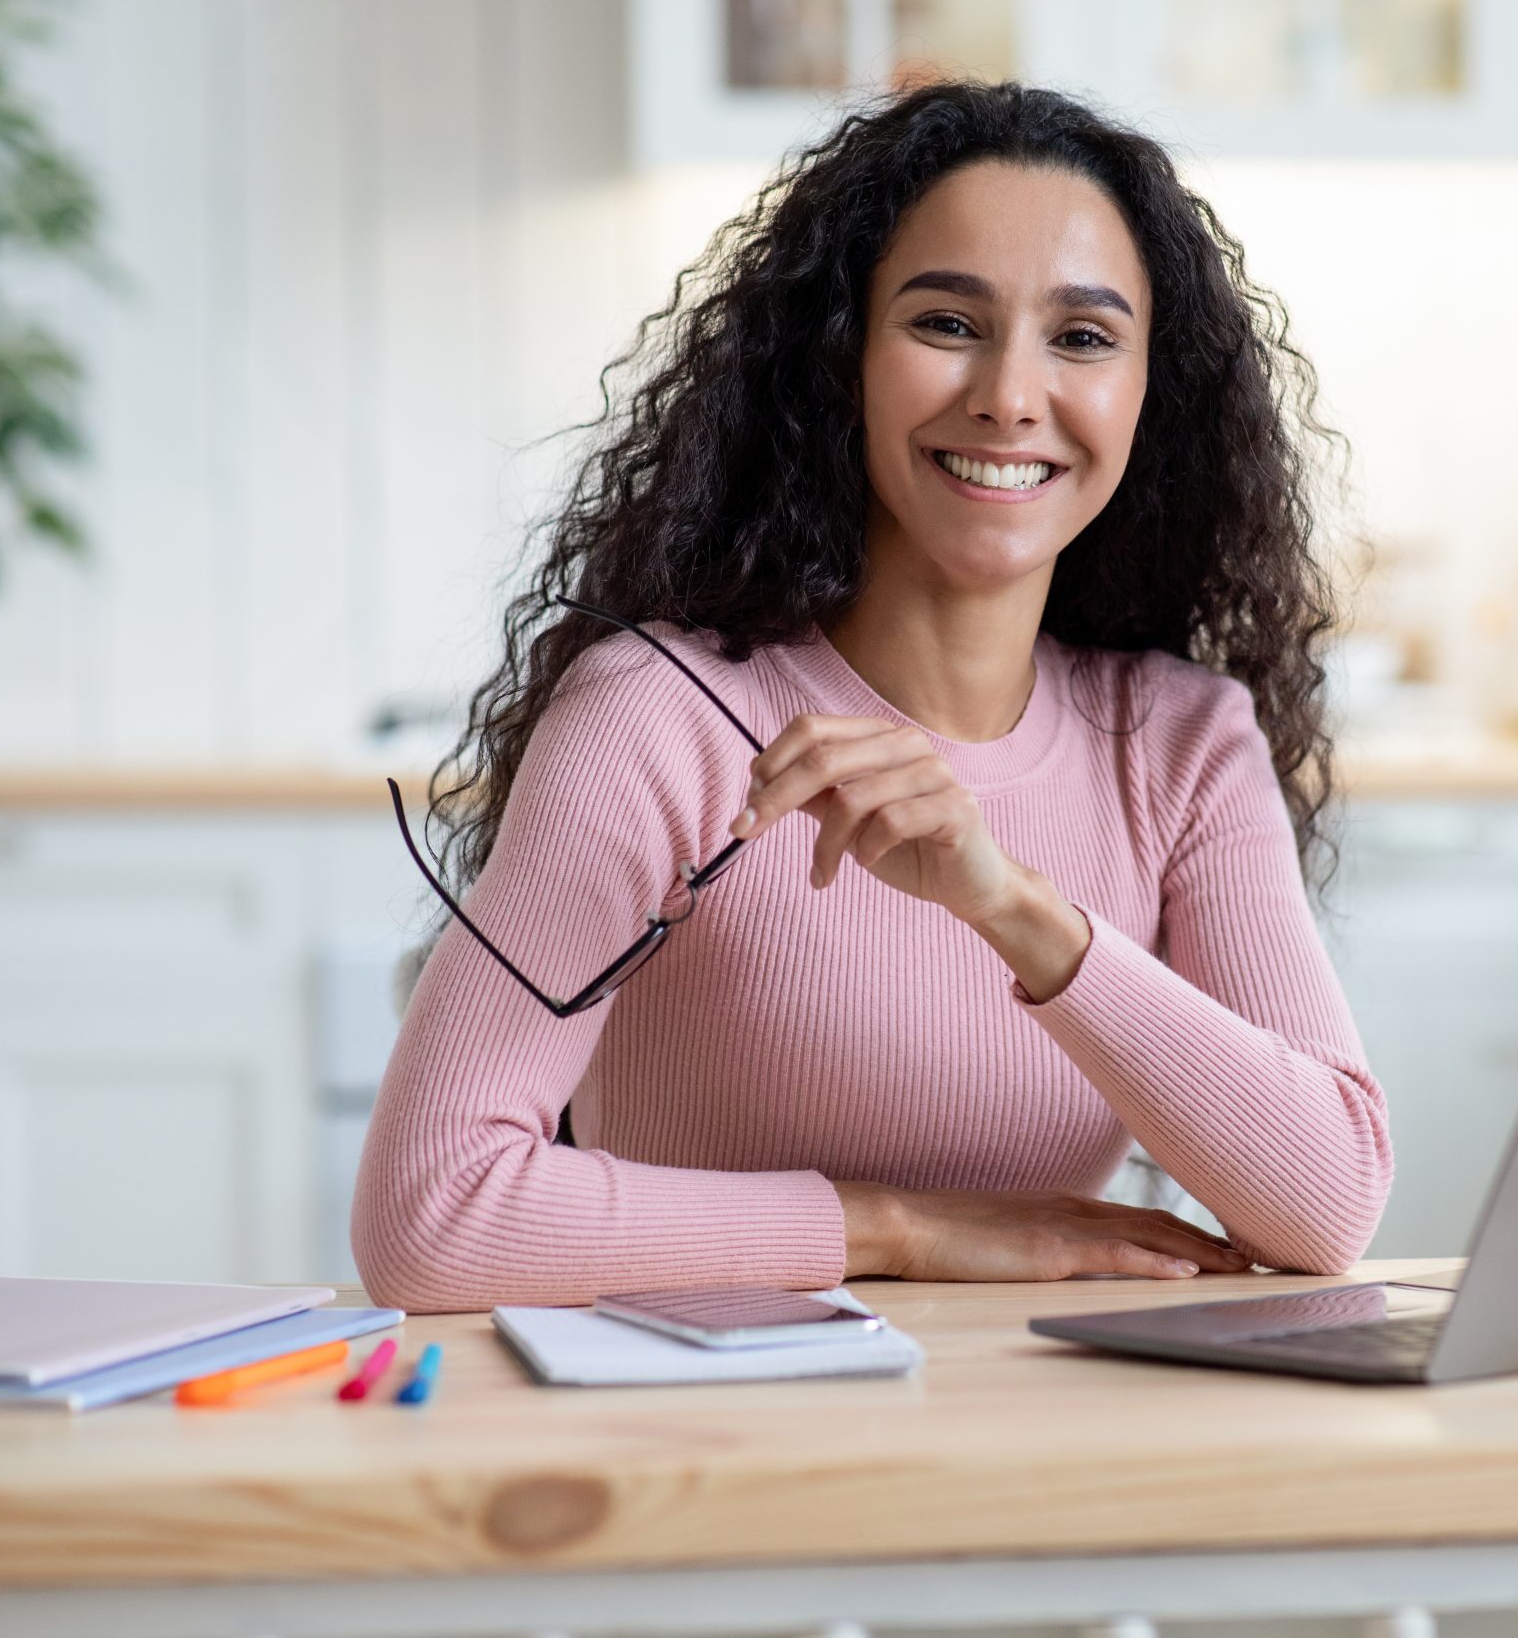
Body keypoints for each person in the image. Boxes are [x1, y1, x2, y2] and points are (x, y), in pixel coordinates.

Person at [352, 82, 1390, 1312]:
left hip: (1050, 1449)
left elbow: (1326, 1207)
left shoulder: (1181, 741)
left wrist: (1010, 908)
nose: (1011, 395)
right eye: (947, 321)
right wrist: (896, 1229)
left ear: (1148, 396)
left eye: (1083, 337)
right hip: (706, 1450)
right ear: (839, 358)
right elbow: (434, 1216)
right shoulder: (659, 717)